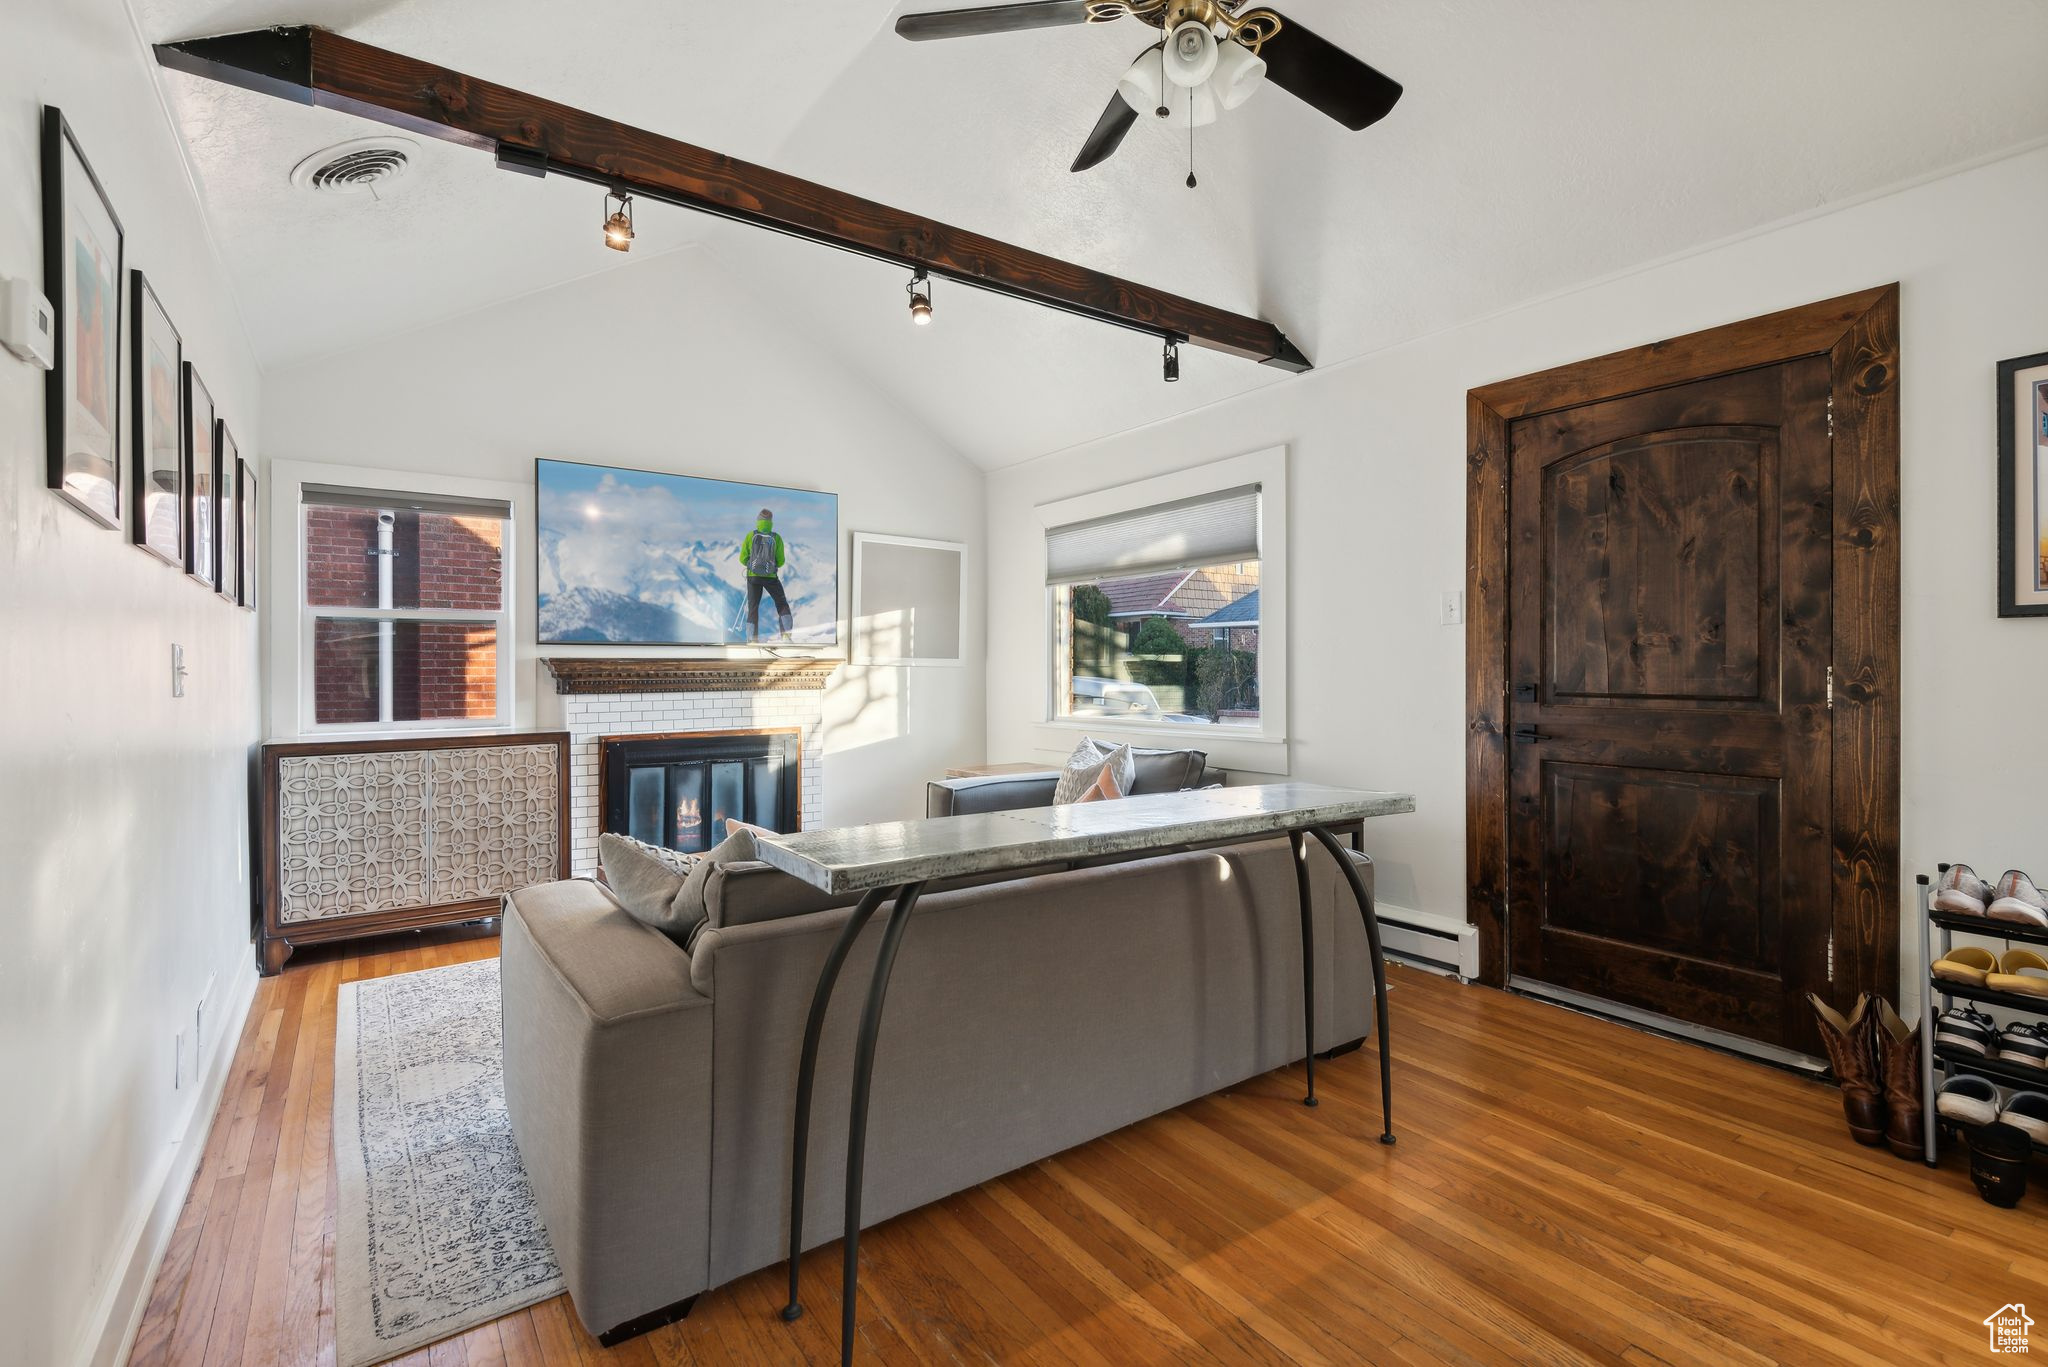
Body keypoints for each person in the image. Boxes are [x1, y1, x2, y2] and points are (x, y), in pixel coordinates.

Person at [737, 507, 793, 642]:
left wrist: (752, 565)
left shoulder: (751, 535)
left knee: (753, 607)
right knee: (782, 604)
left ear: (758, 521)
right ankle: (786, 636)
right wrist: (770, 566)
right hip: (771, 578)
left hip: (753, 577)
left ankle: (752, 639)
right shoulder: (776, 538)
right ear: (771, 522)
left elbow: (742, 558)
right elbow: (781, 561)